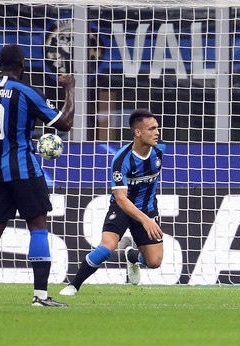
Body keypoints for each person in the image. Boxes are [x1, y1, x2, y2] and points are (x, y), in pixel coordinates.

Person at [0, 44, 75, 307]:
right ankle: (40, 296)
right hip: (25, 170)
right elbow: (65, 124)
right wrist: (69, 88)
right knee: (37, 228)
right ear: (22, 64)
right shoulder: (26, 93)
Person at [59, 109, 164, 296]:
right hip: (122, 208)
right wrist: (146, 221)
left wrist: (148, 217)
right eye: (151, 128)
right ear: (138, 132)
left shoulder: (158, 152)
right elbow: (121, 199)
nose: (157, 132)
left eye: (157, 128)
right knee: (106, 248)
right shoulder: (121, 160)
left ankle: (132, 256)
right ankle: (73, 285)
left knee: (154, 262)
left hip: (148, 208)